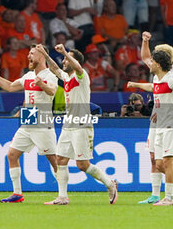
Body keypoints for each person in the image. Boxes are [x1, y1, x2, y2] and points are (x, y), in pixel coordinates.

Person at [36, 43, 118, 205]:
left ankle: (110, 184)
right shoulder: (67, 78)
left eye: (67, 60)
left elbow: (78, 68)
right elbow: (54, 69)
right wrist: (45, 55)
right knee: (61, 159)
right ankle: (62, 197)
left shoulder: (82, 76)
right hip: (69, 123)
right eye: (64, 60)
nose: (64, 62)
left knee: (82, 165)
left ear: (74, 62)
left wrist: (65, 52)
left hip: (82, 123)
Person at [0, 44, 58, 203]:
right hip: (29, 119)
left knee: (54, 161)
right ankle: (17, 193)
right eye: (28, 53)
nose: (28, 56)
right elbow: (10, 87)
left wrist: (42, 84)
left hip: (43, 120)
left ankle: (63, 194)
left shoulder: (49, 75)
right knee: (12, 155)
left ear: (41, 56)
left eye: (32, 53)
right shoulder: (28, 76)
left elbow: (52, 91)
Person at [128, 49, 173, 206]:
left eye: (152, 61)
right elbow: (153, 87)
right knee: (159, 164)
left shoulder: (171, 78)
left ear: (158, 64)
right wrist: (136, 84)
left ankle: (168, 198)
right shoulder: (158, 78)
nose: (149, 64)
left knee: (168, 161)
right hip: (160, 125)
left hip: (172, 125)